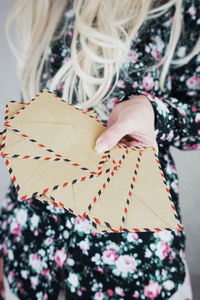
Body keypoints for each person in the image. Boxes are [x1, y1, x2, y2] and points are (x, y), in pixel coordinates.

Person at [0, 0, 199, 299]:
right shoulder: (50, 7)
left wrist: (154, 113)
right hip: (29, 255)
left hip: (132, 267)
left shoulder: (178, 8)